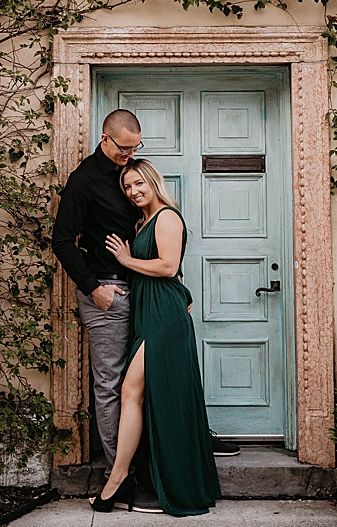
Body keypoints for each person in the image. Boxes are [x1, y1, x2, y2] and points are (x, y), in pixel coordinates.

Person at [90, 158, 221, 516]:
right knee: (138, 394)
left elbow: (166, 265)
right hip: (152, 311)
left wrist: (126, 259)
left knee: (131, 391)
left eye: (138, 184)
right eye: (127, 187)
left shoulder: (167, 216)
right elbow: (174, 273)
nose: (133, 192)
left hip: (163, 316)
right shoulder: (144, 220)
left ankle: (115, 481)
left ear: (152, 181)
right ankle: (124, 478)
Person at [51, 108, 167, 513]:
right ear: (105, 139)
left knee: (138, 384)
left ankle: (148, 466)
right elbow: (62, 240)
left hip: (142, 290)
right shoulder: (82, 181)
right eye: (124, 147)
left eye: (136, 148)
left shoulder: (130, 174)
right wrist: (93, 288)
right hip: (108, 293)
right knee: (111, 385)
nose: (130, 154)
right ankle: (120, 480)